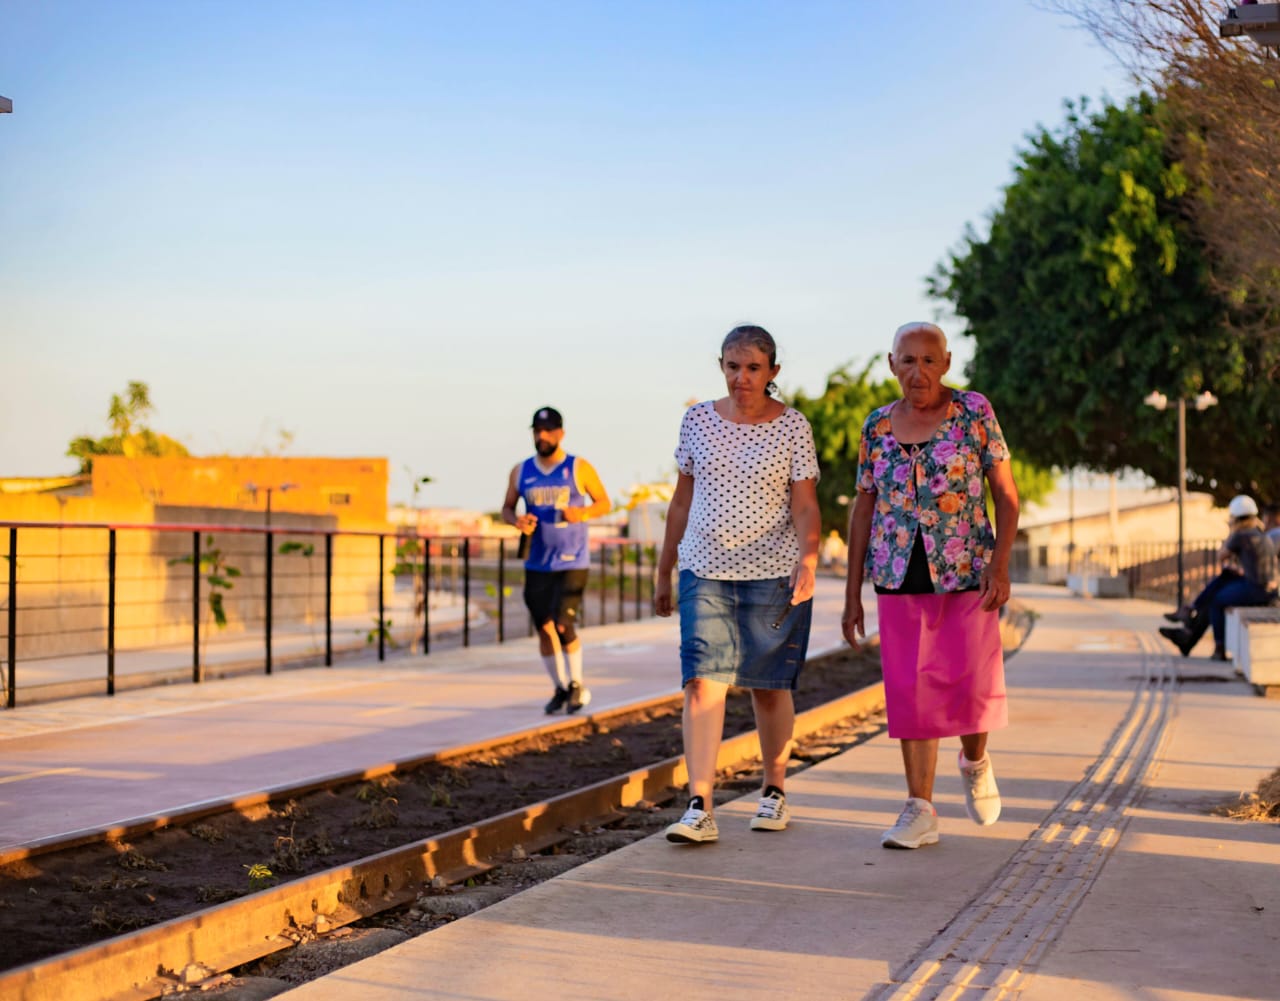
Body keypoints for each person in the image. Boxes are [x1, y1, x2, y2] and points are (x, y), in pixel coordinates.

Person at [842, 321, 1019, 850]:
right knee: (910, 689)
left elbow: (1007, 497)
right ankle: (919, 808)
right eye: (907, 360)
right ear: (891, 363)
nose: (918, 371)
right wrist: (851, 591)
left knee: (970, 681)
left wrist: (1001, 564)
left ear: (945, 362)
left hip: (967, 569)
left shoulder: (974, 412)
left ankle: (975, 759)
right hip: (897, 572)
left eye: (928, 360)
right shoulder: (875, 426)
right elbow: (863, 507)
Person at [654, 325, 821, 845]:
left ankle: (773, 790)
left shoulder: (794, 426)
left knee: (768, 687)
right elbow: (681, 499)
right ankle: (699, 804)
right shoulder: (698, 420)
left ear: (772, 372)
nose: (741, 377)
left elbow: (805, 503)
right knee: (703, 683)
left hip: (774, 572)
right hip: (703, 569)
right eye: (732, 366)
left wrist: (810, 559)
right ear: (720, 367)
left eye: (752, 368)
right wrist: (664, 568)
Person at [502, 406, 612, 714]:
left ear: (561, 433)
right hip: (537, 561)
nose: (542, 436)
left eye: (549, 431)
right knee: (544, 627)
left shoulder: (578, 467)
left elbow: (605, 502)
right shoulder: (521, 471)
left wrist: (584, 513)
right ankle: (560, 687)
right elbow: (506, 508)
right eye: (538, 431)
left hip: (572, 560)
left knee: (564, 624)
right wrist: (517, 521)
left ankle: (577, 684)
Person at [1159, 494, 1279, 661]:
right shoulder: (1259, 534)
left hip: (1257, 590)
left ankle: (1215, 645)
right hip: (1268, 589)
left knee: (1216, 600)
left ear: (1235, 517)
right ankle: (1189, 630)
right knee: (1226, 577)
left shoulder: (1241, 535)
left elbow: (1221, 555)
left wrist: (1231, 531)